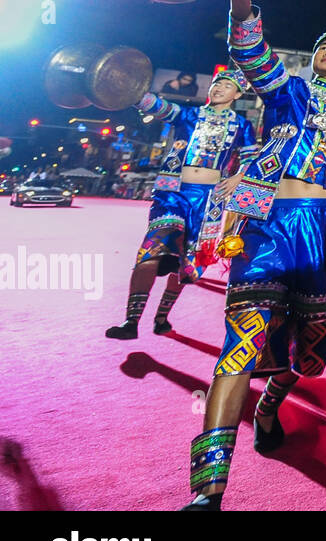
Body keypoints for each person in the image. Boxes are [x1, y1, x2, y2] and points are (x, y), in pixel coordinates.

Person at [183, 0, 326, 511]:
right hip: (265, 227)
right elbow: (253, 53)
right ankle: (207, 492)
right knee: (238, 349)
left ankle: (271, 403)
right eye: (323, 44)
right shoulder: (291, 91)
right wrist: (242, 1)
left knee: (307, 352)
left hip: (323, 232)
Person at [105, 70, 258, 339]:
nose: (219, 87)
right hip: (173, 194)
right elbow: (154, 104)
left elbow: (248, 159)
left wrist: (237, 177)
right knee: (150, 252)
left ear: (237, 94)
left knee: (188, 264)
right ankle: (131, 322)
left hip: (209, 200)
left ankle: (161, 317)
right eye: (216, 83)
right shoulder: (186, 114)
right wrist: (129, 88)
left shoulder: (242, 125)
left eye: (227, 85)